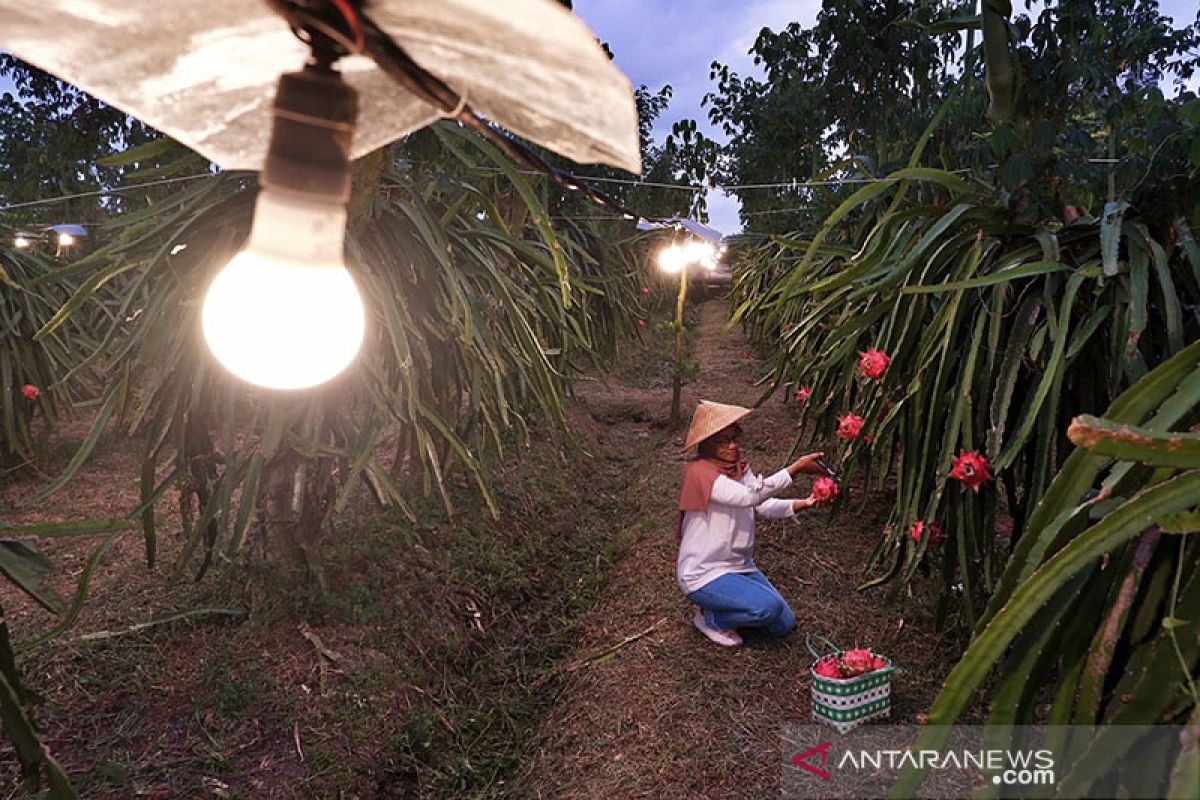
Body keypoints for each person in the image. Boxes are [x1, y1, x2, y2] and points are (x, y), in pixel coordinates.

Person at [677, 399, 831, 647]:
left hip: (740, 567)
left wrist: (806, 502)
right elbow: (748, 497)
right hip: (704, 573)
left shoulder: (738, 469)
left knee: (784, 624)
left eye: (734, 438)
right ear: (707, 445)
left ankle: (735, 606)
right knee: (766, 609)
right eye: (722, 441)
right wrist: (795, 469)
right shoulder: (700, 472)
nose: (732, 446)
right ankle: (711, 618)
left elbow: (763, 505)